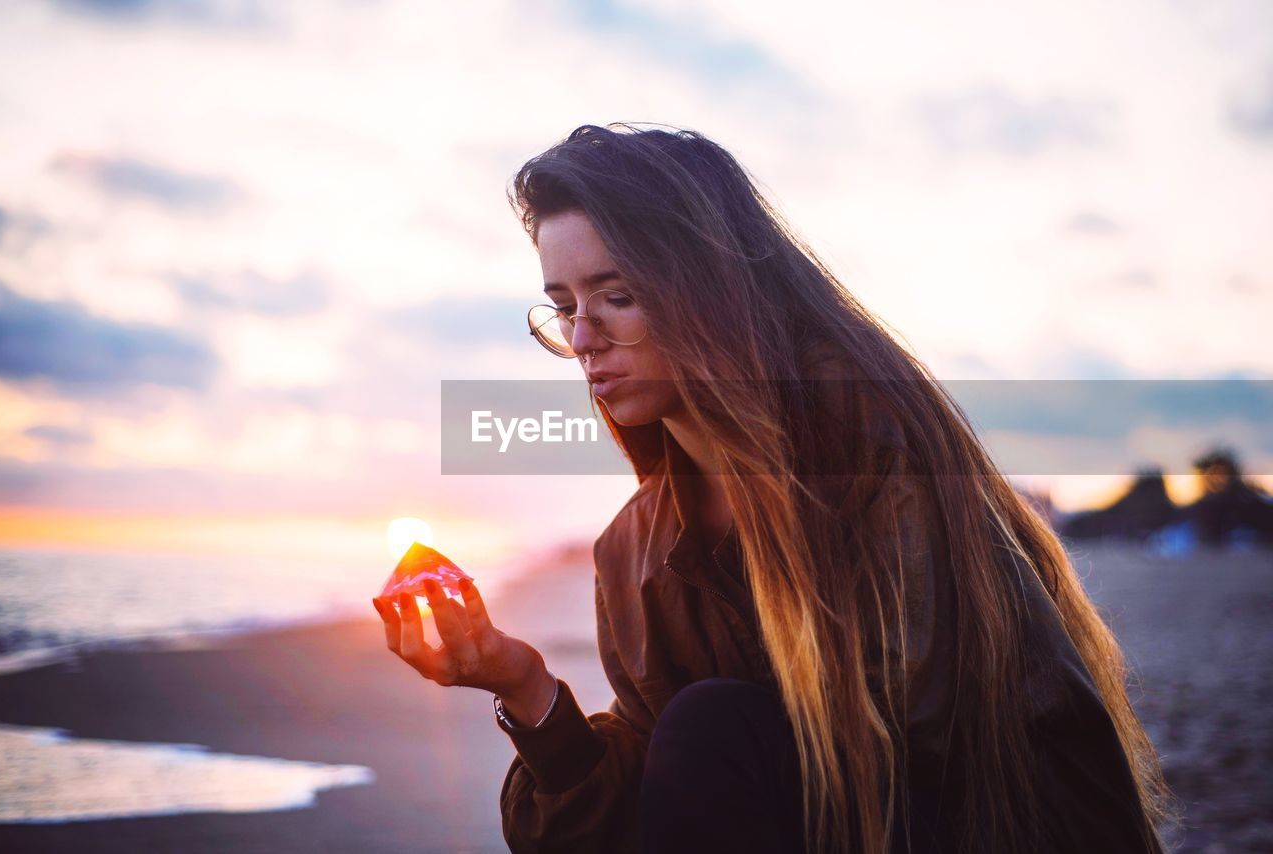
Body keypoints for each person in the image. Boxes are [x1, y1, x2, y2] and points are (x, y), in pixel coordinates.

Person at [372, 123, 1177, 853]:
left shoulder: (865, 443)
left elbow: (918, 745)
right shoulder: (634, 548)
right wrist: (523, 684)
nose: (584, 339)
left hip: (999, 826)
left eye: (618, 298)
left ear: (708, 289)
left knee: (711, 725)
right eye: (564, 307)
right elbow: (661, 806)